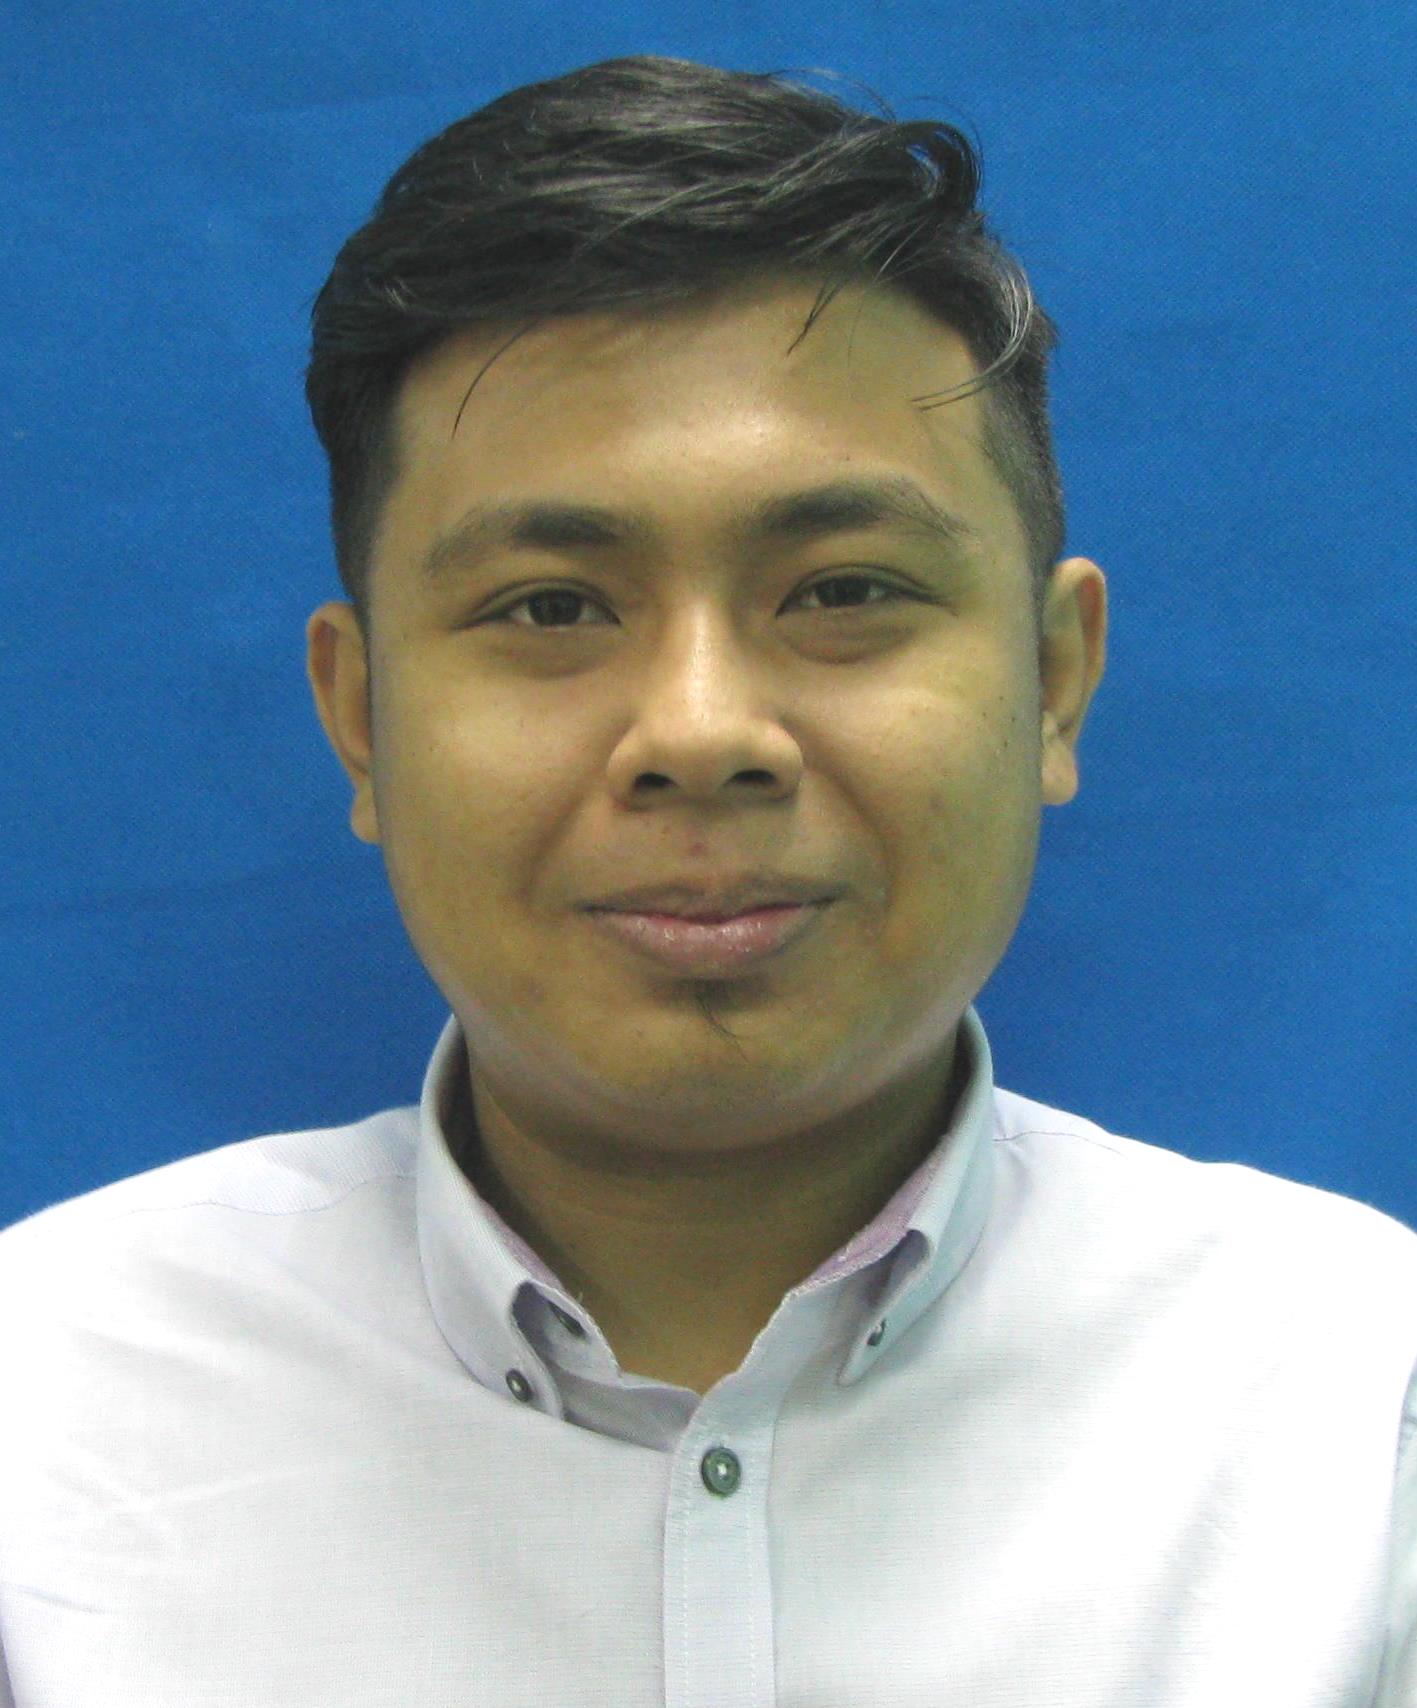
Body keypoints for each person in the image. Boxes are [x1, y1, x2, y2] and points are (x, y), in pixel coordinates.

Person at [0, 52, 1412, 1708]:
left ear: (1053, 681)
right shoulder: (44, 1414)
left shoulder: (1359, 1419)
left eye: (843, 590)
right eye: (550, 609)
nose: (696, 733)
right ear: (361, 716)